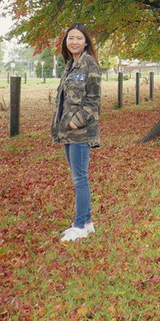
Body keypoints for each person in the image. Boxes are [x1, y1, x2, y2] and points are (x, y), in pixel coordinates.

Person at [51, 22, 101, 242]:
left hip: (80, 132)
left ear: (86, 42)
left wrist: (76, 122)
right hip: (67, 133)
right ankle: (88, 223)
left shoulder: (89, 64)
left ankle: (79, 225)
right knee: (78, 177)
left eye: (79, 38)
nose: (74, 42)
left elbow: (93, 100)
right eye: (70, 38)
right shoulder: (70, 65)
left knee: (80, 178)